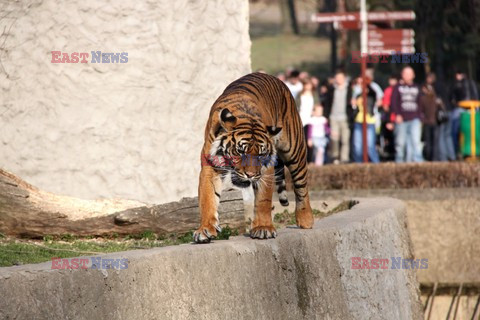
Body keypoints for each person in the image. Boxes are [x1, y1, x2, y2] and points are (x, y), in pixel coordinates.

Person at [390, 66, 424, 163]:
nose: (407, 76)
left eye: (409, 74)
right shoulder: (397, 88)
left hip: (414, 119)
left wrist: (420, 116)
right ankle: (399, 162)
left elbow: (420, 103)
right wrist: (397, 114)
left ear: (413, 75)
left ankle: (417, 161)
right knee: (400, 143)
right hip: (401, 119)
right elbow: (394, 102)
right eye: (405, 73)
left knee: (415, 142)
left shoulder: (417, 87)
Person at [323, 70, 352, 163]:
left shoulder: (349, 89)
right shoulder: (332, 89)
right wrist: (326, 116)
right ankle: (335, 157)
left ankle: (344, 158)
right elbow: (327, 104)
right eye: (337, 78)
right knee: (334, 139)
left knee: (345, 140)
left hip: (345, 118)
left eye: (341, 78)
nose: (339, 80)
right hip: (334, 118)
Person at [449, 70, 479, 156]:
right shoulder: (472, 83)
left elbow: (452, 98)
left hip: (465, 108)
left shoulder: (458, 84)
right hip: (469, 108)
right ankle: (461, 150)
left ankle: (458, 150)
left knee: (456, 129)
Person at [351, 80, 380, 163]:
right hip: (358, 121)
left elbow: (374, 100)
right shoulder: (358, 95)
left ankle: (376, 164)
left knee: (370, 146)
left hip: (369, 121)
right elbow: (355, 107)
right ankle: (358, 165)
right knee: (357, 146)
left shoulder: (371, 94)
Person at [419, 73, 440, 161]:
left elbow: (420, 111)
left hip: (427, 122)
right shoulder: (435, 99)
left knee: (428, 142)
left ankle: (428, 158)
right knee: (435, 142)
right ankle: (435, 158)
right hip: (435, 122)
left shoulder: (423, 99)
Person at [380, 75, 398, 160]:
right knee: (390, 140)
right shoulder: (388, 91)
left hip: (400, 119)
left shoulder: (400, 90)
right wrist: (389, 120)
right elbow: (385, 106)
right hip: (391, 118)